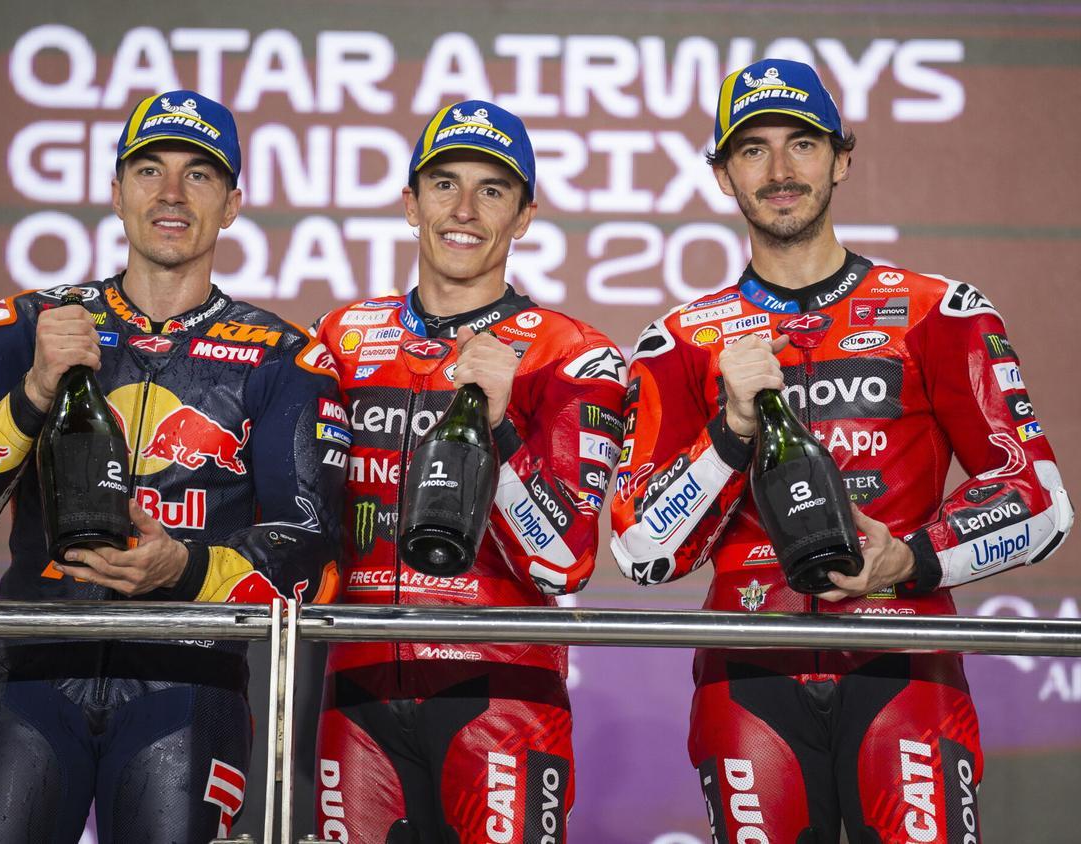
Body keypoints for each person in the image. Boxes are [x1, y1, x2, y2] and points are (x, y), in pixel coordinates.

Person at [611, 59, 1073, 842]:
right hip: (750, 669)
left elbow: (1041, 497)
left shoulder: (940, 311)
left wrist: (914, 559)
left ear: (842, 158)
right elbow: (641, 550)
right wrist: (729, 435)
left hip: (904, 653)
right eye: (753, 150)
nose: (781, 169)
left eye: (802, 144)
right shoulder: (679, 342)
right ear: (723, 175)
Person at [0, 90, 347, 843]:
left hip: (189, 681)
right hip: (33, 671)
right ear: (115, 192)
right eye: (149, 170)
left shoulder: (286, 358)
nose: (171, 194)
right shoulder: (27, 326)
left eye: (199, 175)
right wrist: (36, 392)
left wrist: (183, 567)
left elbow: (313, 559)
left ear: (233, 204)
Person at [311, 100, 626, 843]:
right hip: (354, 695)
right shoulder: (340, 338)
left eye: (492, 190)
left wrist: (502, 424)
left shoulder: (573, 354)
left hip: (503, 696)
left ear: (524, 216)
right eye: (444, 183)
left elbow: (565, 561)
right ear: (410, 202)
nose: (464, 209)